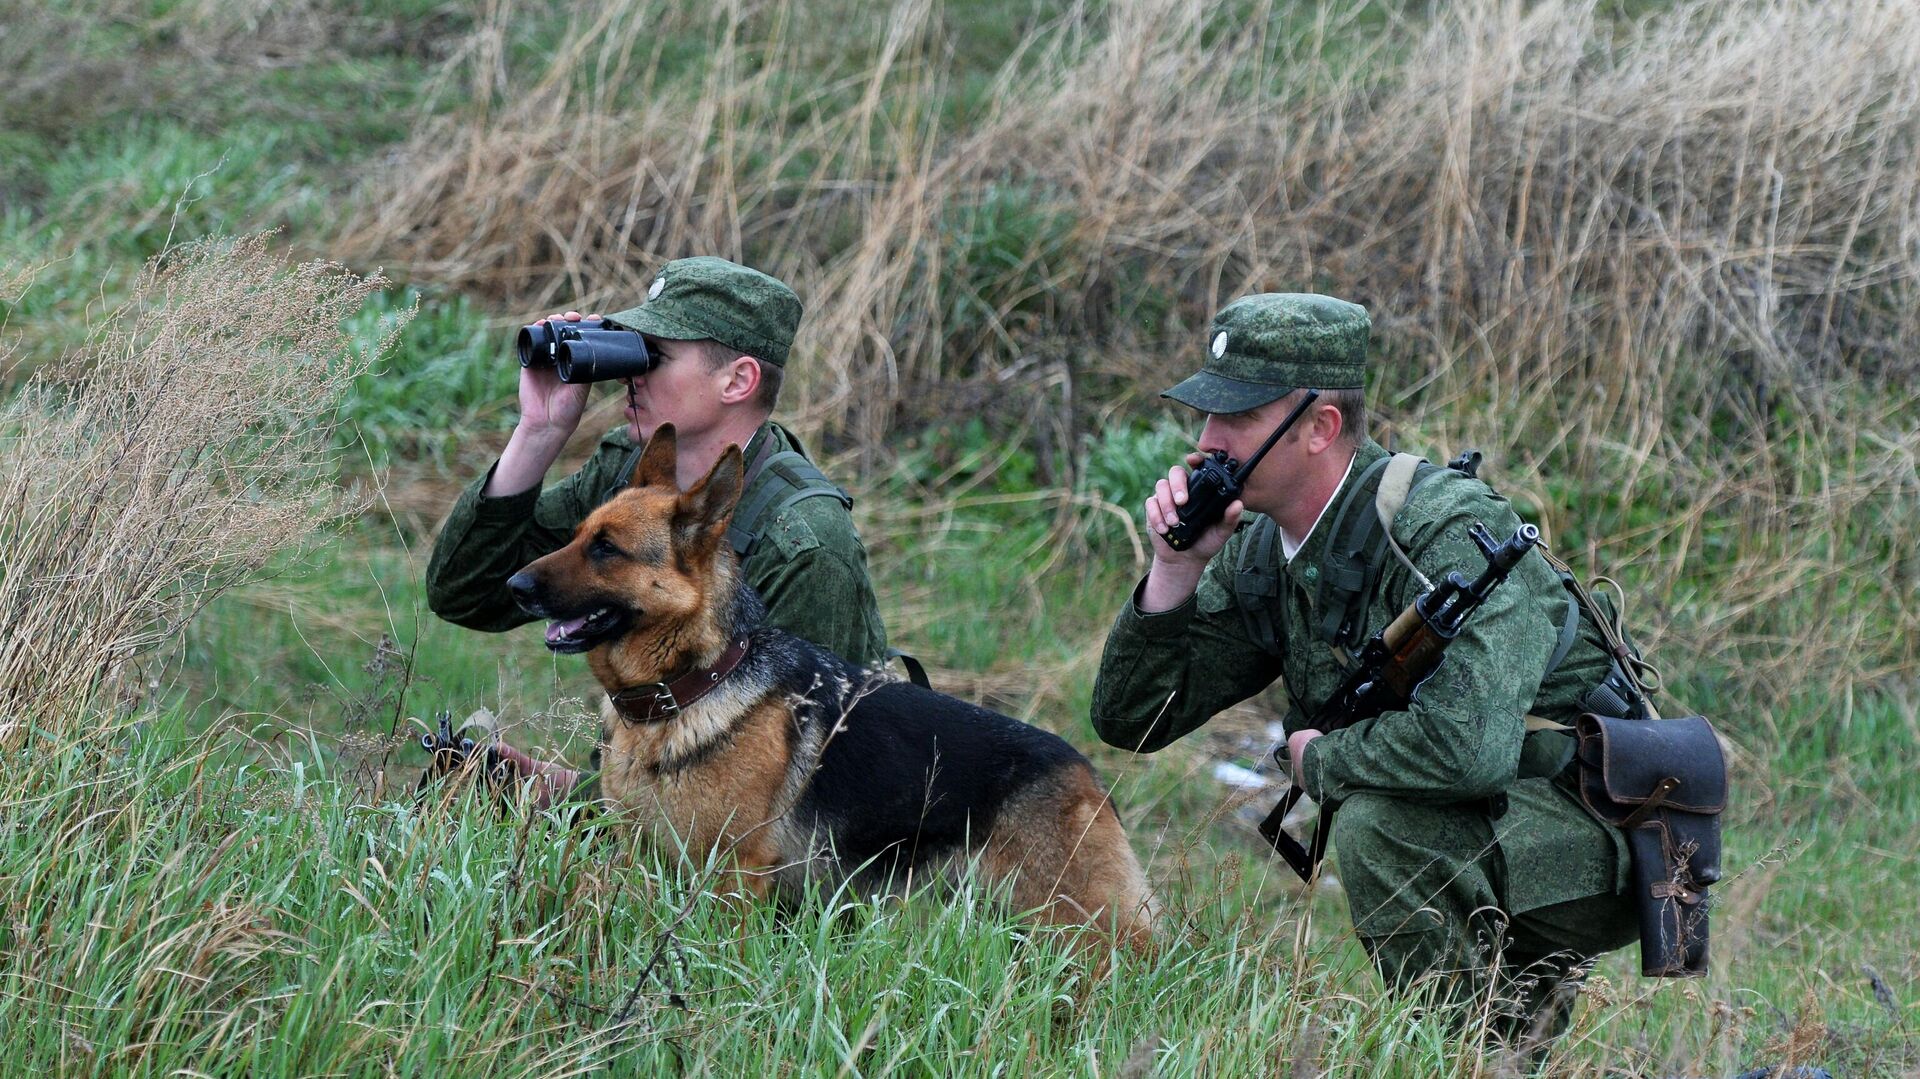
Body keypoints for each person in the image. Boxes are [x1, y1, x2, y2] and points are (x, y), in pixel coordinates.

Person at [1089, 292, 1639, 1046]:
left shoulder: (1443, 532)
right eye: (1206, 414)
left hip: (1601, 821)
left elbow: (1471, 750)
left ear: (1320, 427)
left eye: (1240, 417)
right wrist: (1174, 570)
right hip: (1481, 818)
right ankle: (1505, 1047)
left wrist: (1323, 759)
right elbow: (1130, 718)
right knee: (1389, 820)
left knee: (1378, 824)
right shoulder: (1262, 548)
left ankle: (1460, 1060)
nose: (1208, 441)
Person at [424, 255, 890, 802]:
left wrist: (571, 800)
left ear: (738, 379)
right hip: (648, 792)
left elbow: (808, 779)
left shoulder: (804, 540)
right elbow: (468, 595)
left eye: (655, 356)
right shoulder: (632, 471)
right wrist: (538, 431)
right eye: (632, 349)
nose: (630, 373)